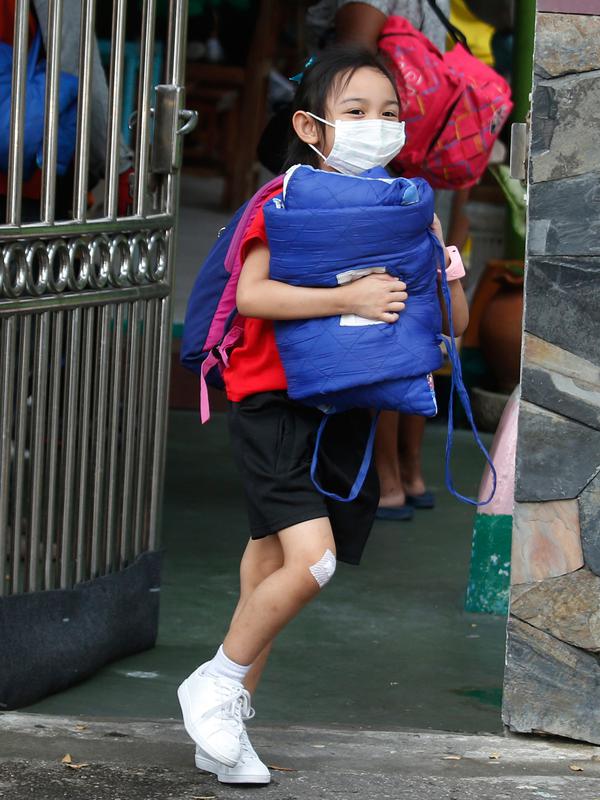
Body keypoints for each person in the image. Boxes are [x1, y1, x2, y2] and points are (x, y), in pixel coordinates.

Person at [178, 44, 468, 785]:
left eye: (389, 113)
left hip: (343, 410)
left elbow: (451, 325)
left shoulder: (407, 212)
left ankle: (229, 725)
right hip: (271, 401)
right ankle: (214, 683)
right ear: (312, 126)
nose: (378, 126)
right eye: (356, 112)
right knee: (315, 560)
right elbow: (252, 297)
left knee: (270, 567)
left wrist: (451, 271)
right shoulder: (285, 201)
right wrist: (349, 298)